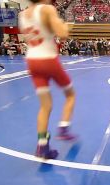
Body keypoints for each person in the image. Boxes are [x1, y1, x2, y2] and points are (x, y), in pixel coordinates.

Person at [19, 0, 76, 159]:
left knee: (45, 105)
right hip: (48, 59)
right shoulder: (47, 9)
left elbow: (29, 37)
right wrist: (65, 25)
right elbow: (62, 33)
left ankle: (42, 146)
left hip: (32, 61)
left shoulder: (22, 14)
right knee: (70, 95)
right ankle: (64, 128)